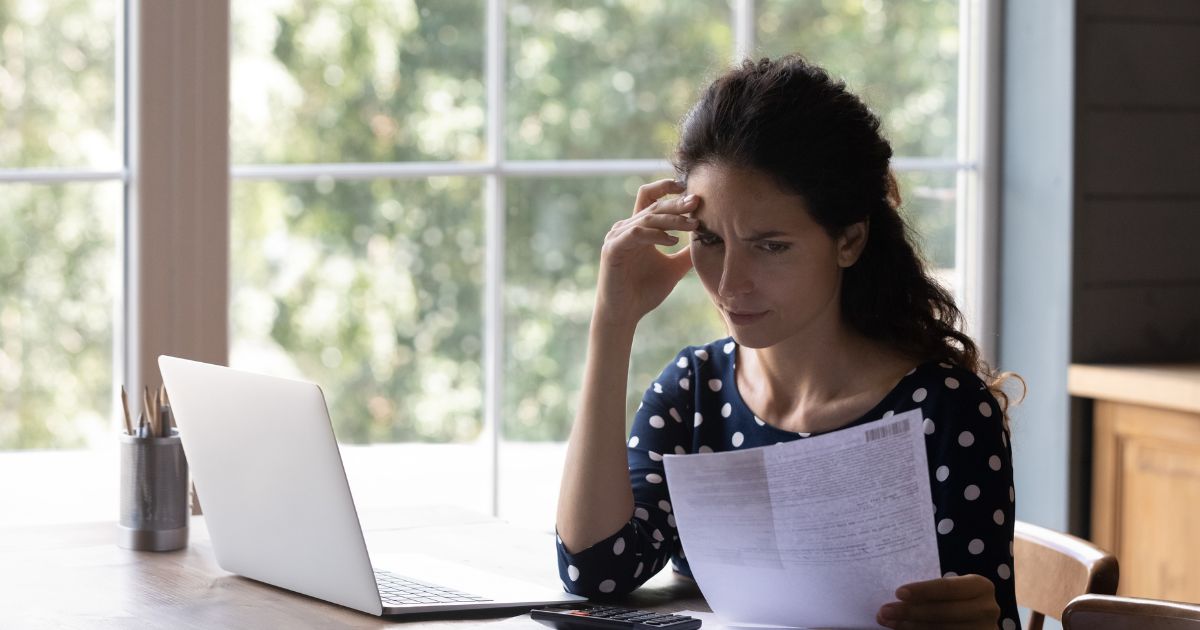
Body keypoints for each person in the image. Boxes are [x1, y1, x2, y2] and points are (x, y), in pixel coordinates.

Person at [554, 56, 1024, 630]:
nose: (729, 285)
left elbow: (988, 618)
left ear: (848, 240)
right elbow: (595, 568)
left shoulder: (946, 410)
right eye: (709, 239)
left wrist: (980, 621)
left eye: (770, 246)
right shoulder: (694, 391)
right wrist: (613, 320)